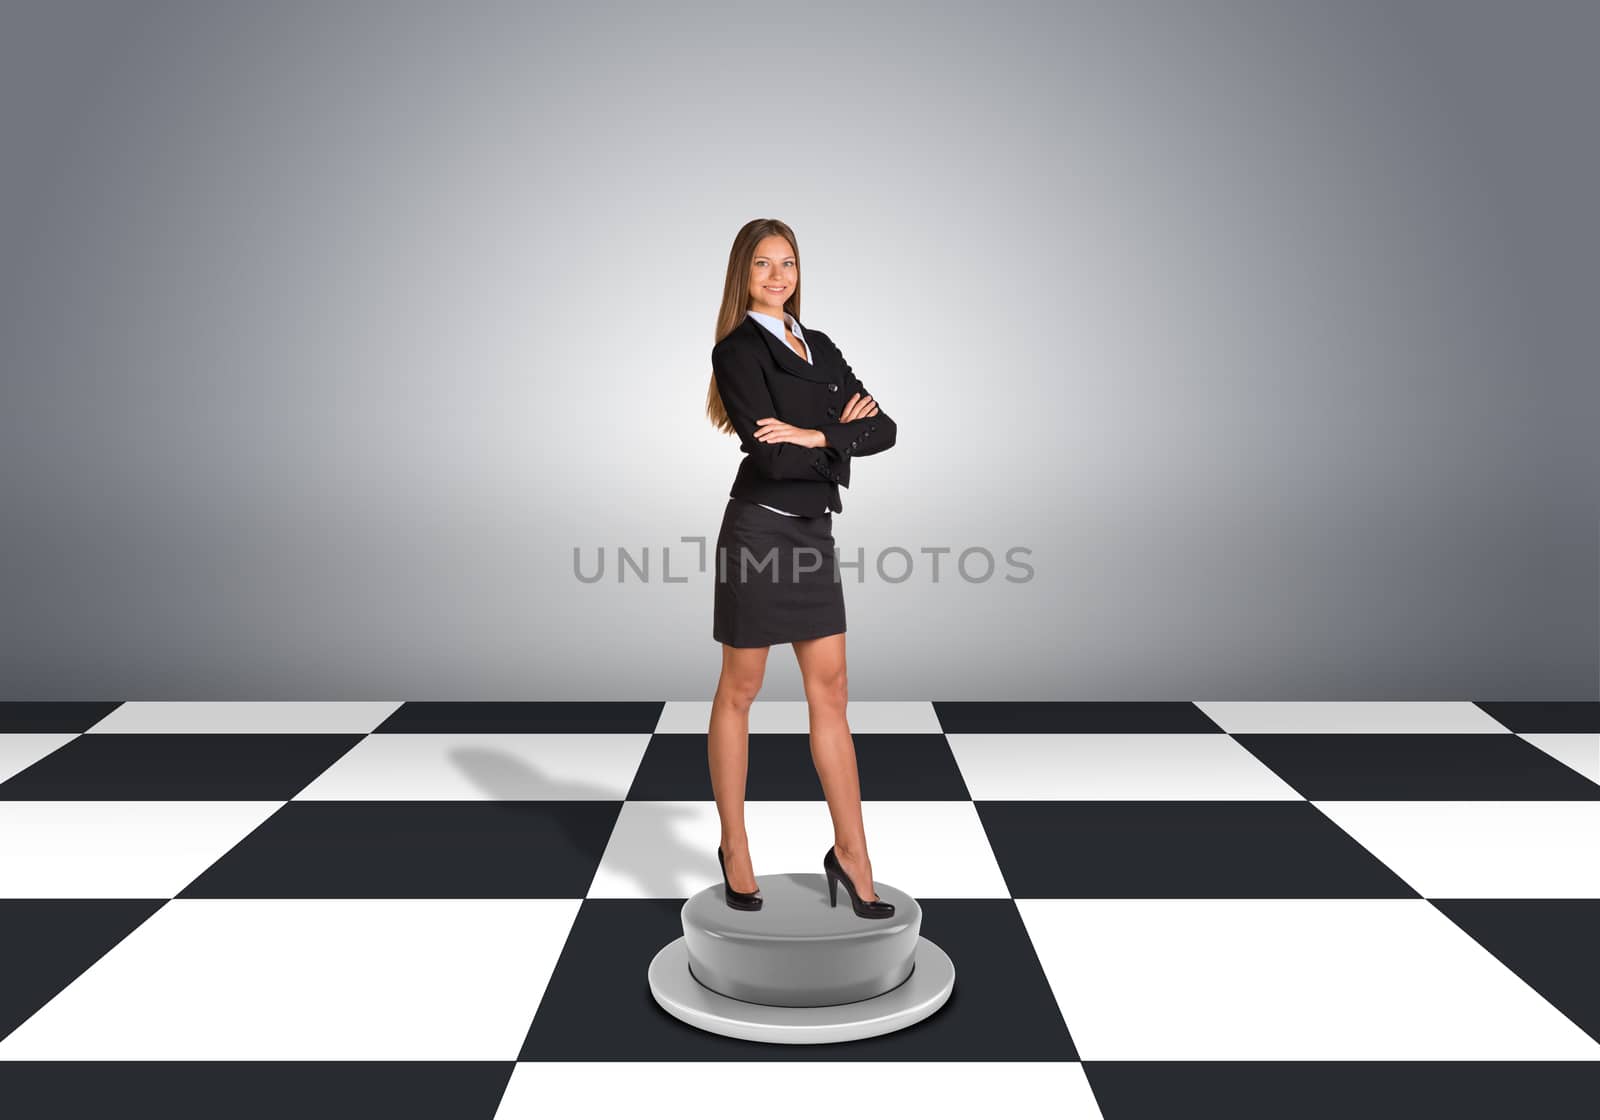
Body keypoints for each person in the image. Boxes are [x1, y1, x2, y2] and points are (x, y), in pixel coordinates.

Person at [702, 217, 898, 918]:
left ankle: (852, 856)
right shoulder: (736, 351)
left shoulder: (820, 345)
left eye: (787, 263)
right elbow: (770, 456)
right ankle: (734, 846)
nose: (778, 275)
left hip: (814, 534)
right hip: (758, 531)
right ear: (743, 276)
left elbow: (887, 429)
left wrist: (817, 433)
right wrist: (839, 436)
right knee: (741, 689)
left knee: (834, 693)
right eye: (763, 265)